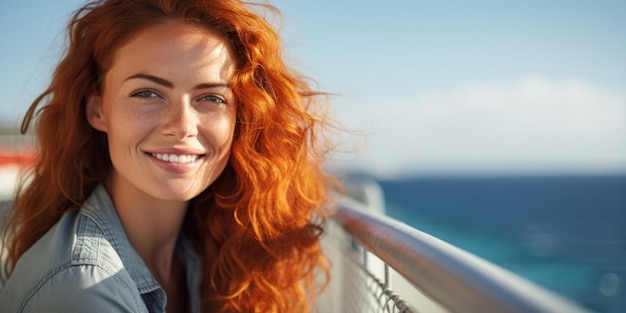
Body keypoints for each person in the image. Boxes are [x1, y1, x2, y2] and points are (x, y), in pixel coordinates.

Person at [0, 0, 338, 312]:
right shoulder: (81, 290)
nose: (182, 126)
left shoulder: (204, 249)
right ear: (97, 109)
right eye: (147, 93)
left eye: (211, 98)